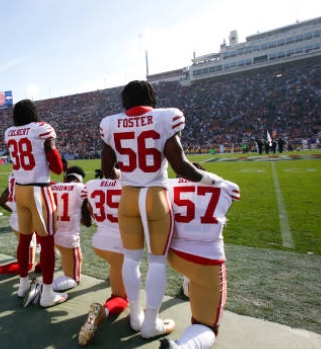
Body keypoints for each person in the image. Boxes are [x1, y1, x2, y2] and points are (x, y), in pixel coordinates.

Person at [99, 80, 223, 338]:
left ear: (125, 100)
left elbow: (108, 170)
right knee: (156, 262)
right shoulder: (166, 117)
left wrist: (128, 175)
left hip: (129, 198)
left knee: (131, 260)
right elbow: (181, 166)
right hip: (156, 196)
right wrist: (212, 180)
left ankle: (135, 316)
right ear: (151, 98)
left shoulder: (110, 124)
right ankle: (150, 322)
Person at [160, 163, 240, 349]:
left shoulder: (167, 185)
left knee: (192, 271)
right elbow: (231, 197)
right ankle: (182, 347)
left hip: (174, 255)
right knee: (207, 326)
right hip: (207, 260)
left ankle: (187, 286)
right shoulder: (226, 187)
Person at [4, 99, 66, 308]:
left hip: (20, 190)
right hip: (39, 190)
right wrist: (52, 148)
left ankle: (22, 285)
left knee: (24, 239)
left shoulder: (10, 132)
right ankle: (47, 294)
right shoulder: (42, 129)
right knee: (47, 242)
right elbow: (57, 168)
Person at [78, 175, 127, 346]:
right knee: (121, 298)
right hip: (117, 246)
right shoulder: (128, 184)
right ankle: (103, 312)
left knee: (116, 268)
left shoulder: (92, 184)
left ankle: (113, 280)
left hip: (99, 242)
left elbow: (87, 208)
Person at [0, 172, 38, 289]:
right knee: (28, 265)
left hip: (15, 220)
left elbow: (1, 201)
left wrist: (15, 211)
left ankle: (37, 249)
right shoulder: (33, 176)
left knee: (26, 250)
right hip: (25, 223)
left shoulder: (15, 175)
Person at [50, 166, 92, 292]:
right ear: (80, 180)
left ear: (65, 178)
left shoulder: (53, 187)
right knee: (74, 279)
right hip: (69, 238)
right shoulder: (81, 188)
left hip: (54, 235)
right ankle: (46, 288)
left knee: (72, 259)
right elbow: (88, 222)